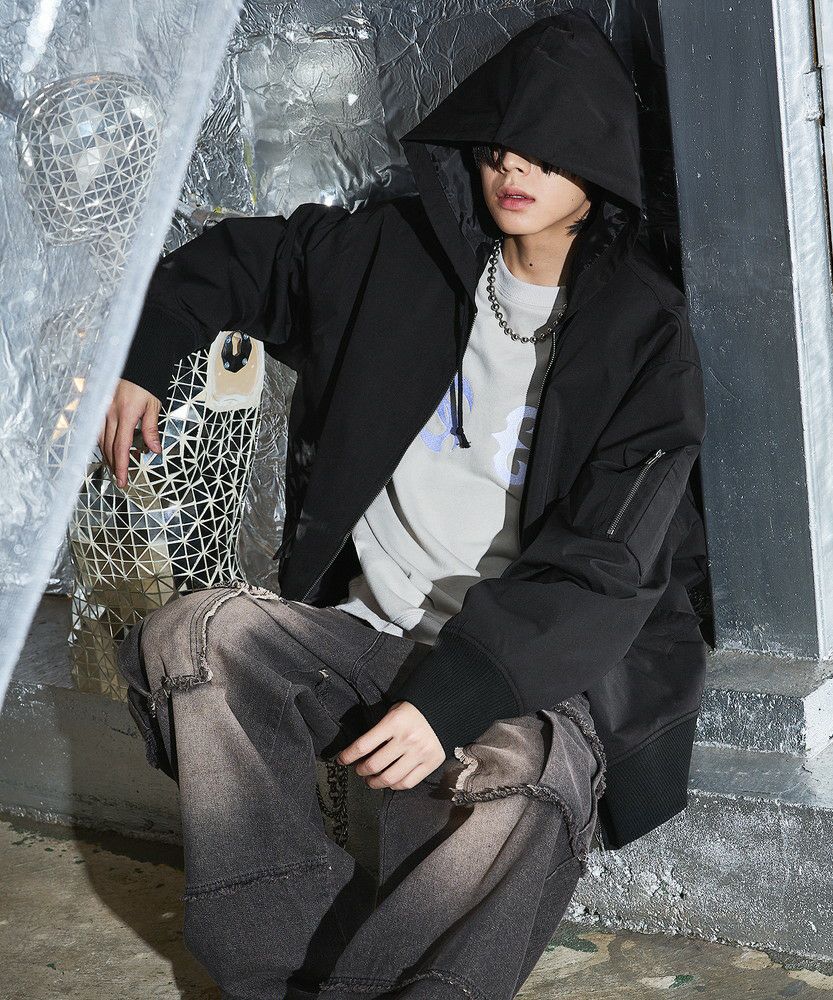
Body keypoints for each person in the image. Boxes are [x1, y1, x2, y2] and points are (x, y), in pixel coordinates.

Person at [109, 9, 709, 999]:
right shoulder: (396, 256)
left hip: (529, 675)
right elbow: (246, 259)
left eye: (548, 152)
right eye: (500, 144)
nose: (514, 168)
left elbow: (608, 562)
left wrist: (455, 697)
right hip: (369, 641)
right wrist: (143, 354)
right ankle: (278, 971)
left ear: (599, 172)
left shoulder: (644, 334)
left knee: (525, 787)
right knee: (195, 636)